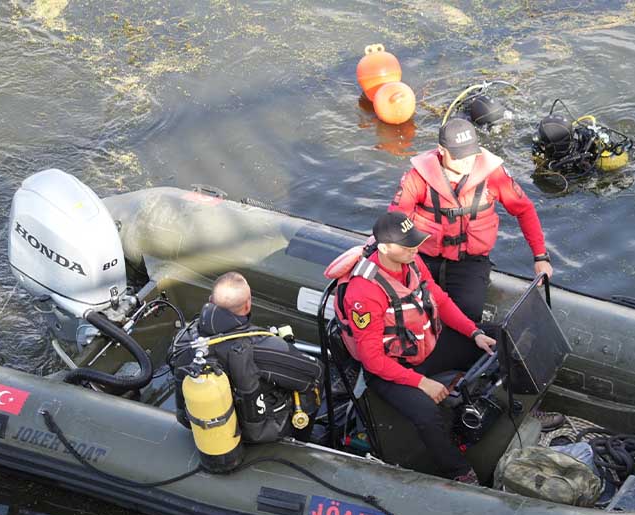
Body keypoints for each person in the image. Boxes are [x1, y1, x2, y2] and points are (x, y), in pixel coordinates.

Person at [332, 212, 497, 483]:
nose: (416, 249)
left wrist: (474, 332)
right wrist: (421, 383)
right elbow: (372, 359)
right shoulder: (364, 293)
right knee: (426, 414)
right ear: (385, 248)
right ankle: (458, 471)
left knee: (497, 338)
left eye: (415, 243)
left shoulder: (412, 261)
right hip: (391, 367)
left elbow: (440, 300)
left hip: (424, 344)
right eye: (408, 245)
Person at [388, 117, 553, 324]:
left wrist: (540, 257)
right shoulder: (418, 176)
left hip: (469, 263)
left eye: (471, 154)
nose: (467, 161)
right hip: (422, 258)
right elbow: (395, 221)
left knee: (467, 317)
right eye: (459, 156)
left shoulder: (493, 175)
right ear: (441, 150)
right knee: (408, 315)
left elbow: (525, 210)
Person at [170, 272, 323, 442]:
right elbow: (313, 372)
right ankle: (303, 438)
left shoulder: (182, 340)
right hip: (258, 431)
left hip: (200, 422)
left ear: (210, 300)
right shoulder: (264, 347)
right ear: (248, 305)